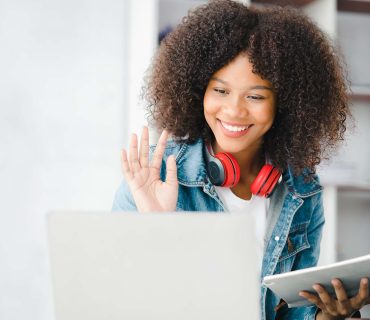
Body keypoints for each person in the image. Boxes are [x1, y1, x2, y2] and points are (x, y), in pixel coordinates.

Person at [112, 1, 370, 319]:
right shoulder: (153, 177)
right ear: (198, 91)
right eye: (220, 91)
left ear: (287, 104)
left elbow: (289, 312)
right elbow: (123, 303)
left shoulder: (302, 191)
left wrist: (327, 315)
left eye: (256, 96)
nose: (234, 110)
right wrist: (156, 228)